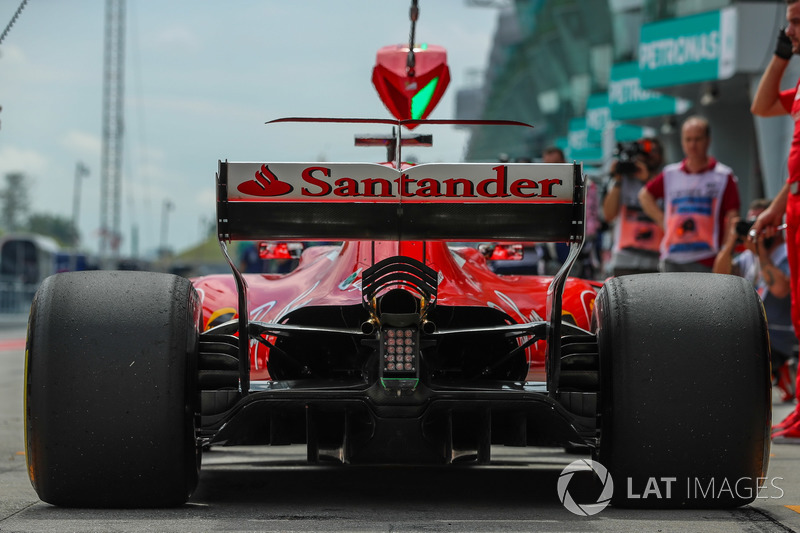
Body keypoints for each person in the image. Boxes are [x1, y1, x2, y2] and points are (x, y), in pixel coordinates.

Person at [751, 0, 800, 439]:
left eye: (798, 23)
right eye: (788, 25)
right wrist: (782, 54)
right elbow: (762, 105)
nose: (791, 31)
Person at [713, 198, 797, 403]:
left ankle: (781, 370)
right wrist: (732, 239)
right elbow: (719, 275)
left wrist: (762, 253)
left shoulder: (786, 253)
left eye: (761, 223)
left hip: (779, 337)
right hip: (753, 334)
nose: (756, 230)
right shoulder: (749, 255)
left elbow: (780, 289)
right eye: (752, 224)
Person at [638, 116, 740, 272]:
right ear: (682, 142)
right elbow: (644, 196)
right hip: (672, 258)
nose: (693, 145)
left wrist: (725, 253)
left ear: (708, 140)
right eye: (688, 139)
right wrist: (663, 220)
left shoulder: (723, 175)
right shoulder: (670, 173)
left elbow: (733, 217)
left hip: (707, 258)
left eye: (697, 139)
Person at [602, 137, 664, 276]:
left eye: (654, 151)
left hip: (656, 261)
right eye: (646, 152)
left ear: (661, 156)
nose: (650, 156)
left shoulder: (663, 181)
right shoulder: (622, 180)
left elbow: (669, 212)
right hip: (625, 260)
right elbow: (608, 215)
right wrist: (617, 180)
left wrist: (647, 181)